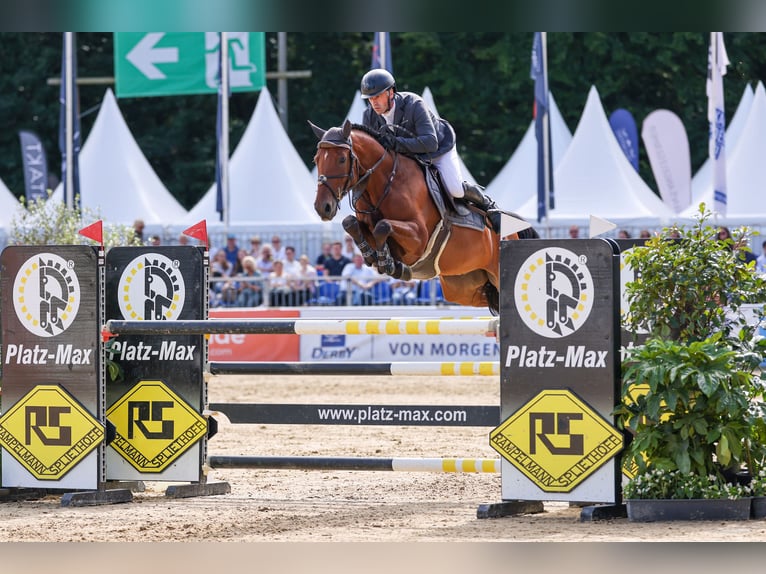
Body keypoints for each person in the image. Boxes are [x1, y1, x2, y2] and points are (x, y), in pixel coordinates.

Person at [360, 68, 500, 233]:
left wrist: (396, 143)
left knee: (454, 188)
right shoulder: (369, 116)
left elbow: (430, 142)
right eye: (370, 99)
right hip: (407, 159)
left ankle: (487, 204)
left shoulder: (414, 104)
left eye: (377, 97)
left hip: (438, 150)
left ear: (390, 93)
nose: (374, 103)